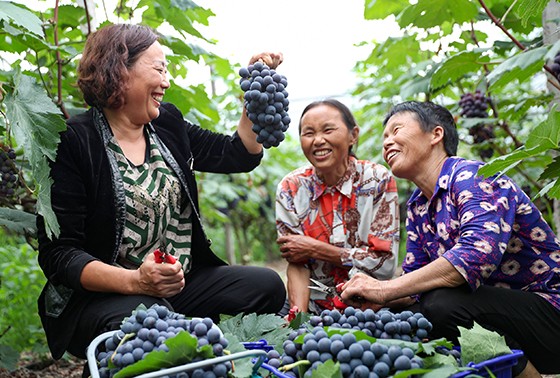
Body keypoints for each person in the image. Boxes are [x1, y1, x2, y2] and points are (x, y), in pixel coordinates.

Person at [35, 23, 286, 364]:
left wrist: (253, 94)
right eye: (159, 69)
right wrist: (136, 281)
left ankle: (205, 354)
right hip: (103, 295)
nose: (167, 81)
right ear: (119, 70)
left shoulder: (166, 122)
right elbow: (60, 255)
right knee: (154, 317)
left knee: (266, 286)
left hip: (176, 286)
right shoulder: (74, 141)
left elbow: (235, 154)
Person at [340, 101, 560, 377]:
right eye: (384, 138)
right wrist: (380, 303)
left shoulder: (473, 177)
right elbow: (416, 283)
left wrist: (385, 289)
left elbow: (474, 258)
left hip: (550, 313)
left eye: (396, 130)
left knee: (441, 305)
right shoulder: (419, 205)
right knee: (407, 319)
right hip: (502, 314)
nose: (388, 142)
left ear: (436, 135)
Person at [275, 98, 400, 316]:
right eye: (309, 133)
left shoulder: (377, 180)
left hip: (369, 307)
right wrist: (298, 318)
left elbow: (384, 263)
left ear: (353, 135)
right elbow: (297, 263)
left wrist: (315, 249)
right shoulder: (291, 188)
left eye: (328, 130)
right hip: (313, 306)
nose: (318, 140)